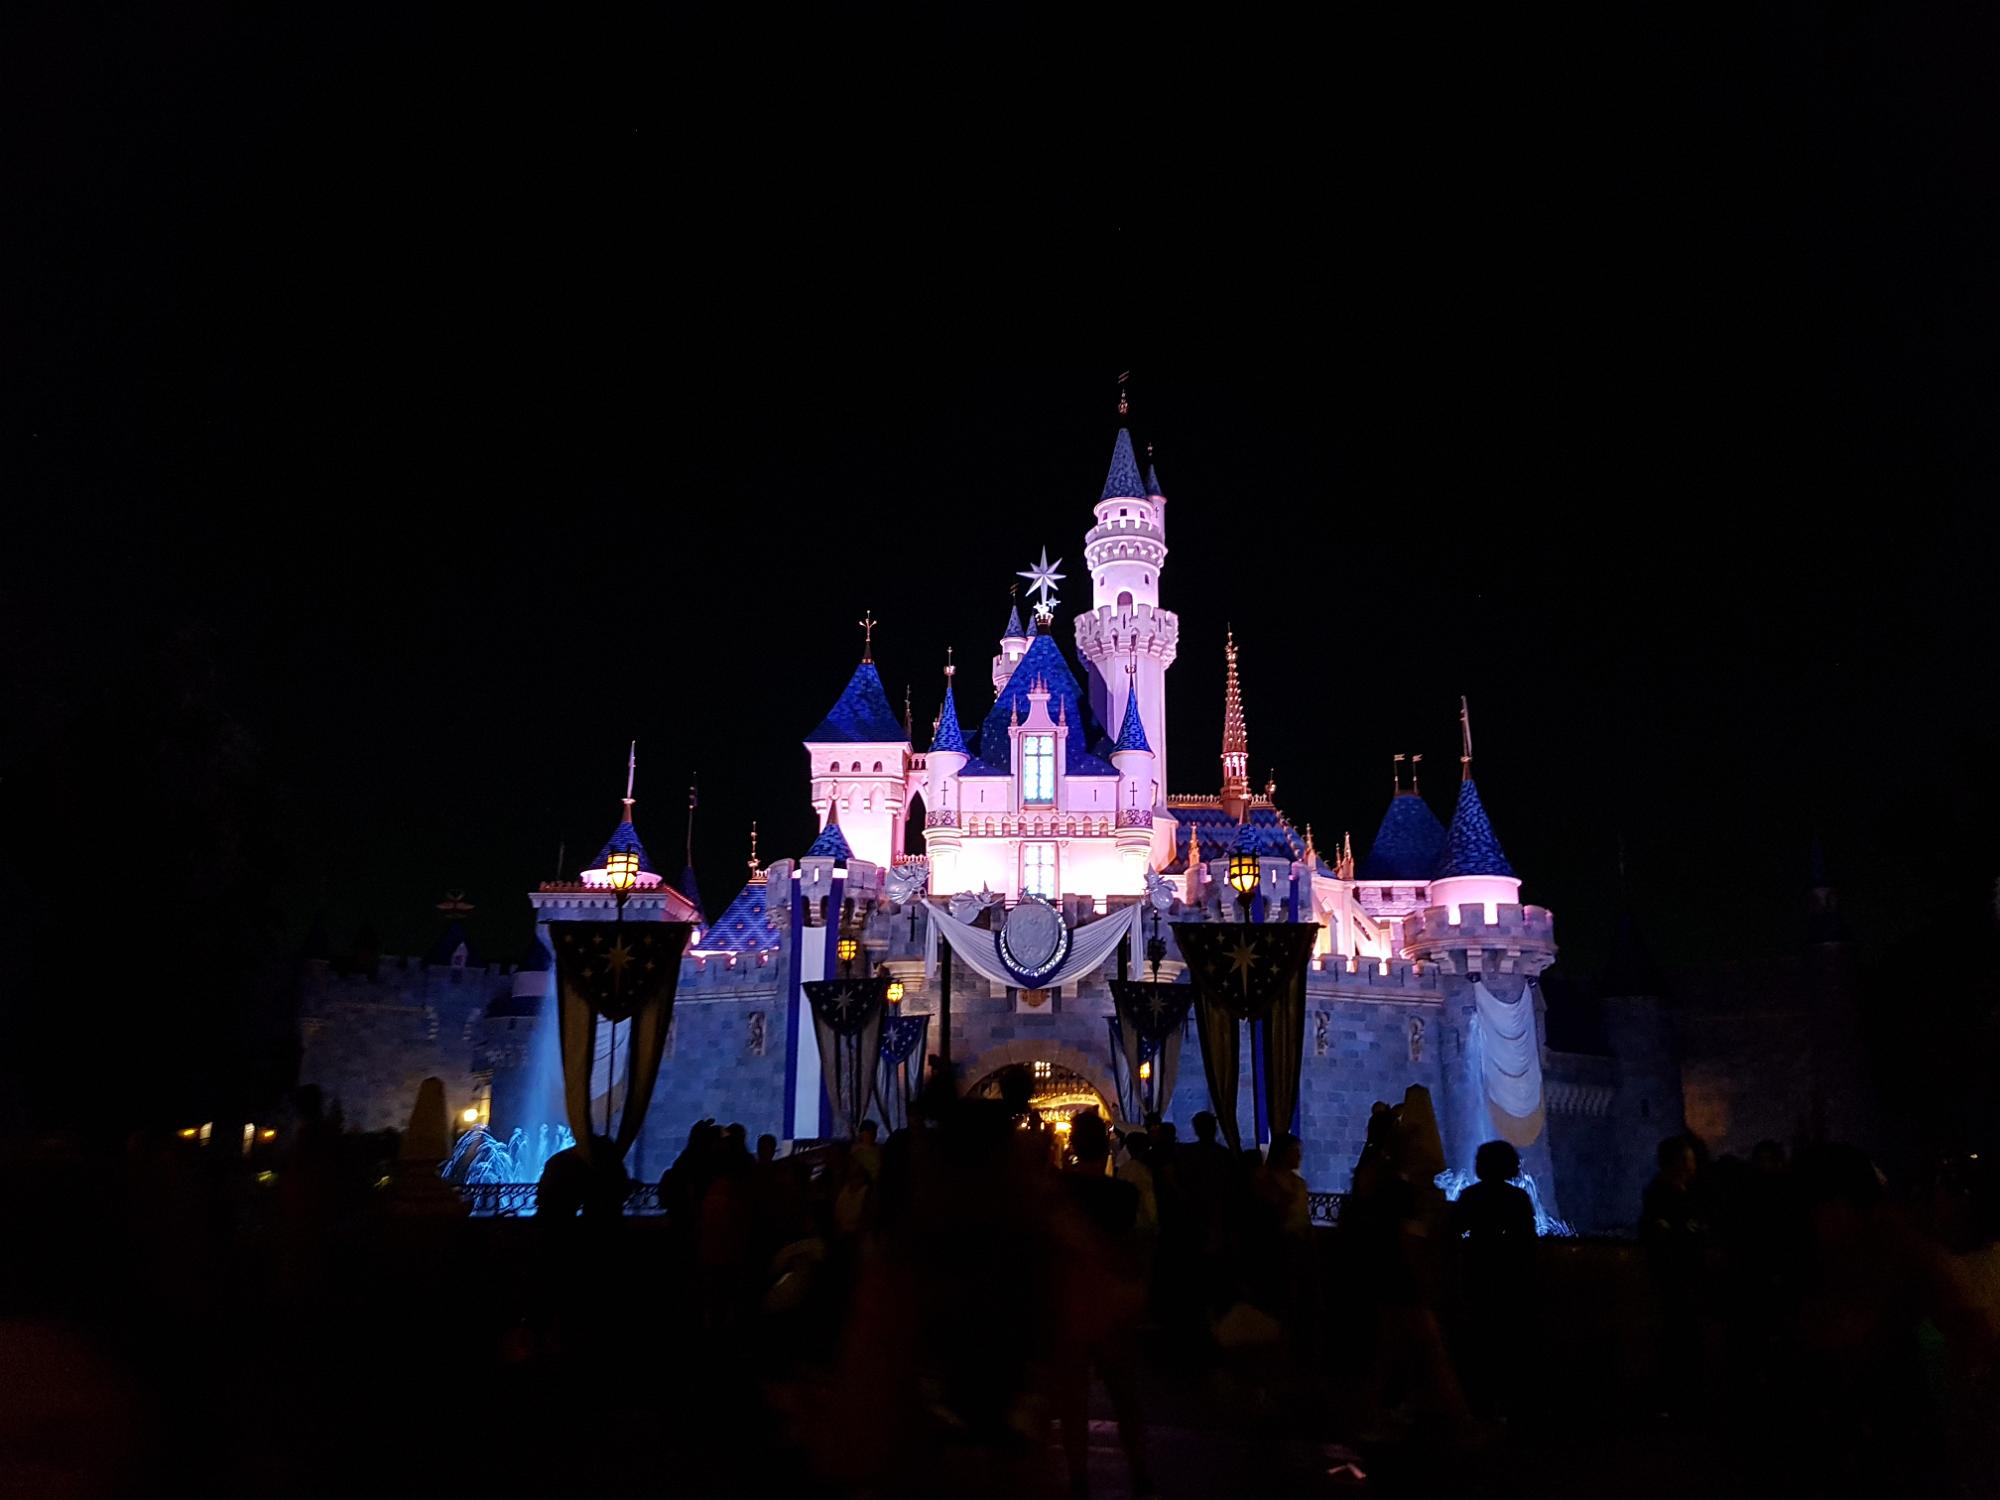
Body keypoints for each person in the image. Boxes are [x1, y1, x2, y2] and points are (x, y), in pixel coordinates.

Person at [1051, 1111, 1155, 1499]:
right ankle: (1140, 1473)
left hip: (1072, 1301)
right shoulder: (1124, 1195)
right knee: (1125, 1396)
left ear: (1074, 1146)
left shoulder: (1061, 1192)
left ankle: (1078, 1476)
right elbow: (1137, 1245)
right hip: (1113, 1302)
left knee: (1074, 1399)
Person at [1449, 1141, 1537, 1416]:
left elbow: (1453, 1228)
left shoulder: (1472, 1196)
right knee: (1508, 1340)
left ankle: (1481, 1402)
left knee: (1480, 1338)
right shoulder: (1518, 1198)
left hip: (1479, 1270)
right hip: (1510, 1275)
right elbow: (1528, 1239)